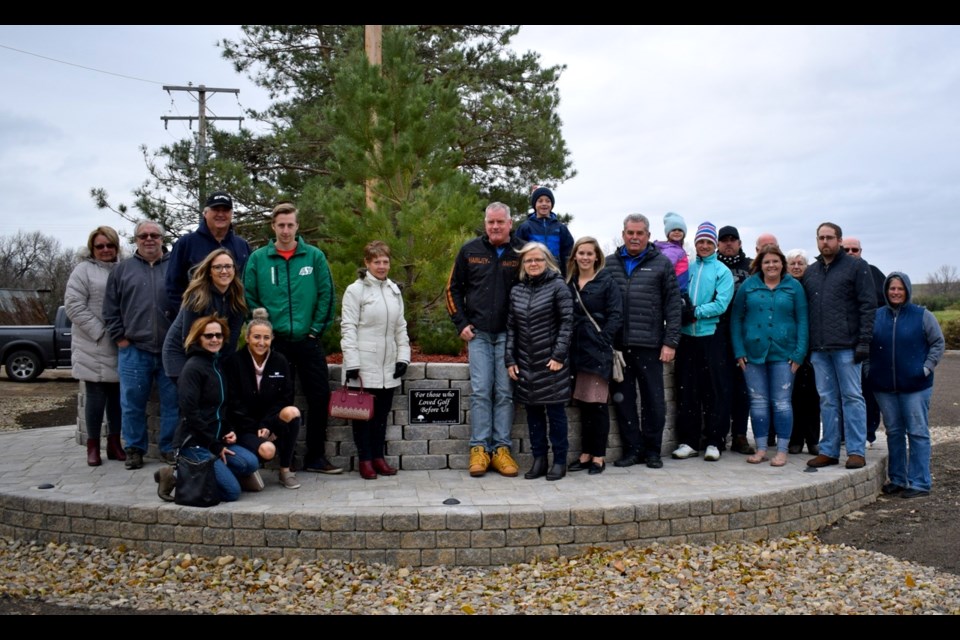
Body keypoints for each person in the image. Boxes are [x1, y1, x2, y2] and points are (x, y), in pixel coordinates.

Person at [244, 202, 341, 474]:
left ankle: (316, 457)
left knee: (320, 397)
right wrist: (265, 335)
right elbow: (249, 297)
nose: (285, 230)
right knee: (279, 401)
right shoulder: (259, 259)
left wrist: (315, 330)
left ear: (297, 226)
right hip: (276, 345)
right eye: (281, 225)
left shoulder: (314, 257)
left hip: (308, 340)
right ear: (273, 227)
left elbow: (326, 295)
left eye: (290, 225)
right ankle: (287, 456)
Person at [446, 202, 522, 478]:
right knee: (480, 391)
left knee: (504, 392)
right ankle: (479, 448)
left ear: (510, 223)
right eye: (491, 222)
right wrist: (461, 323)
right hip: (477, 334)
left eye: (500, 222)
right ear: (485, 223)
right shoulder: (470, 251)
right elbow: (452, 289)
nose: (495, 227)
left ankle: (501, 449)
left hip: (509, 335)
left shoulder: (522, 252)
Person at [154, 315, 262, 503]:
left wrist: (229, 430)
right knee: (232, 493)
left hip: (215, 439)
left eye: (219, 336)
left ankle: (209, 472)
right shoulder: (193, 368)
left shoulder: (216, 366)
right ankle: (176, 475)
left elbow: (221, 407)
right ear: (198, 338)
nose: (215, 340)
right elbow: (191, 414)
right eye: (209, 335)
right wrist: (215, 445)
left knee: (250, 463)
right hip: (194, 443)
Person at [604, 213, 682, 469]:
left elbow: (673, 306)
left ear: (648, 236)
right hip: (619, 348)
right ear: (623, 233)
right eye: (630, 233)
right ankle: (632, 450)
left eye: (640, 233)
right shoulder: (609, 264)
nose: (635, 237)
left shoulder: (661, 264)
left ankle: (651, 451)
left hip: (650, 344)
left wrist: (670, 341)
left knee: (653, 401)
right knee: (623, 402)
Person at [102, 220, 179, 470]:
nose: (149, 239)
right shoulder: (122, 270)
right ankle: (135, 448)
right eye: (143, 235)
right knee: (132, 403)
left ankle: (169, 448)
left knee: (173, 403)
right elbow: (110, 309)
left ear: (162, 238)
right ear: (136, 240)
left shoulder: (176, 267)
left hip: (171, 349)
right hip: (135, 349)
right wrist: (120, 338)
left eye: (154, 235)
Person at [802, 222, 877, 469]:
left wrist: (864, 342)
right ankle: (829, 450)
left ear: (839, 240)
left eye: (830, 238)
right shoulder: (811, 272)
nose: (825, 242)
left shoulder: (856, 267)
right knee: (827, 399)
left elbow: (868, 306)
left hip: (848, 346)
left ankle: (856, 450)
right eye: (821, 238)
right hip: (819, 348)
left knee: (852, 398)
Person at [730, 244, 808, 467]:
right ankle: (762, 448)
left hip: (785, 354)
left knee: (782, 403)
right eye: (767, 262)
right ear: (759, 265)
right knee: (758, 403)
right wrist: (739, 351)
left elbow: (803, 320)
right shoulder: (749, 286)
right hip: (753, 353)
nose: (771, 265)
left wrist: (799, 353)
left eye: (775, 261)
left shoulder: (793, 287)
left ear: (782, 264)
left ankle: (782, 450)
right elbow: (736, 319)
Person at [868, 273, 945, 499]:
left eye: (900, 288)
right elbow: (866, 346)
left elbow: (938, 343)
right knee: (894, 432)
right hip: (884, 386)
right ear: (886, 290)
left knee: (918, 432)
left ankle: (920, 482)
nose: (895, 292)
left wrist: (926, 368)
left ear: (907, 290)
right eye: (892, 288)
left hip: (916, 386)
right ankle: (899, 479)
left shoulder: (922, 315)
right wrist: (868, 370)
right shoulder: (876, 316)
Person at [340, 241, 411, 480]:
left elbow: (400, 326)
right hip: (363, 364)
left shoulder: (394, 290)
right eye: (376, 262)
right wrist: (352, 362)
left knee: (381, 415)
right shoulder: (355, 290)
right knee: (363, 417)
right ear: (367, 263)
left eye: (385, 261)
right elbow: (348, 327)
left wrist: (403, 357)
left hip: (387, 363)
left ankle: (379, 457)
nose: (382, 266)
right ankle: (365, 459)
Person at [506, 242, 574, 480]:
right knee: (533, 416)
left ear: (547, 261)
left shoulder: (558, 287)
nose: (533, 264)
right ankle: (539, 460)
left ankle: (560, 461)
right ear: (523, 264)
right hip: (525, 363)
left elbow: (567, 323)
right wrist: (510, 359)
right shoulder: (517, 290)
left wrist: (558, 356)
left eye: (537, 259)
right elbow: (511, 328)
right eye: (528, 260)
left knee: (556, 415)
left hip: (551, 363)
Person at [671, 222, 734, 462]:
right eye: (701, 242)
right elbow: (677, 291)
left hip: (712, 335)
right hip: (687, 337)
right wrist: (681, 309)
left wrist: (695, 311)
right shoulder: (688, 266)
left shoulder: (721, 271)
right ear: (695, 244)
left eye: (709, 242)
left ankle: (714, 440)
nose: (705, 246)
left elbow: (721, 304)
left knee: (714, 391)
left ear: (715, 245)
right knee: (688, 390)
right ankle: (688, 440)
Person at [64, 226, 124, 466]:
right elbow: (74, 305)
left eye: (110, 245)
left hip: (120, 342)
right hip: (93, 343)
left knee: (117, 397)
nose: (105, 250)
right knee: (96, 397)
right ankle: (92, 445)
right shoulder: (83, 271)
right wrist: (100, 332)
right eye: (100, 246)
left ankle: (114, 443)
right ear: (92, 248)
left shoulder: (124, 268)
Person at [223, 308, 302, 489]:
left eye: (266, 338)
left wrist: (267, 424)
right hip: (244, 426)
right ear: (247, 338)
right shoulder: (234, 362)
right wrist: (256, 427)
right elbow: (232, 401)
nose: (261, 342)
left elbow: (285, 397)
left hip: (269, 421)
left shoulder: (280, 361)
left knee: (293, 412)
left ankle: (285, 470)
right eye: (257, 337)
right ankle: (247, 467)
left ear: (272, 339)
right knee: (268, 451)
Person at [566, 237, 622, 475]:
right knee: (584, 405)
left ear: (597, 256)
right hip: (576, 352)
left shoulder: (606, 282)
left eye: (590, 253)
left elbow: (616, 314)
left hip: (597, 351)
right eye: (581, 253)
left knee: (597, 405)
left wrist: (603, 340)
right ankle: (585, 453)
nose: (585, 257)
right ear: (575, 256)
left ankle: (598, 455)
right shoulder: (569, 282)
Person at [162, 248, 248, 387]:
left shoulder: (238, 295)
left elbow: (232, 337)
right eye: (218, 267)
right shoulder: (197, 296)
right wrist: (207, 369)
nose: (224, 271)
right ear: (209, 271)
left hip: (211, 350)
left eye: (228, 266)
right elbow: (190, 338)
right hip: (181, 353)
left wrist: (222, 364)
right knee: (197, 398)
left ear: (234, 269)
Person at [166, 191, 251, 311]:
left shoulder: (242, 246)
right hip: (196, 321)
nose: (221, 214)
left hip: (233, 320)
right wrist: (187, 316)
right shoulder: (185, 244)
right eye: (216, 209)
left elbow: (248, 285)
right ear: (205, 213)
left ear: (231, 214)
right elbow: (173, 286)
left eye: (225, 210)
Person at [842, 236, 886, 446]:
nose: (851, 253)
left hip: (868, 342)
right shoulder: (835, 273)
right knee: (844, 392)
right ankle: (844, 433)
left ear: (861, 251)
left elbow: (886, 305)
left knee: (867, 390)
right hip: (842, 342)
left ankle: (868, 433)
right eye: (847, 250)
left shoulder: (874, 273)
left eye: (855, 250)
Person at [716, 225, 755, 455]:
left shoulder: (751, 267)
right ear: (719, 243)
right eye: (725, 240)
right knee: (720, 386)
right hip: (718, 332)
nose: (729, 244)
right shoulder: (714, 266)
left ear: (739, 243)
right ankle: (718, 434)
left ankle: (740, 434)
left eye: (733, 240)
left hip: (745, 333)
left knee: (743, 387)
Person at [785, 249, 820, 455]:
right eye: (792, 263)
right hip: (790, 347)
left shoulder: (812, 286)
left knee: (813, 396)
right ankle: (795, 438)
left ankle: (813, 439)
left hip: (812, 346)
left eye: (800, 263)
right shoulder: (785, 288)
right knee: (793, 396)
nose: (796, 267)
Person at [515, 187, 575, 277]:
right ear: (534, 204)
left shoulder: (560, 228)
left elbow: (567, 253)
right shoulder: (526, 227)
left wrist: (566, 274)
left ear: (552, 204)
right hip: (532, 272)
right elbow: (518, 251)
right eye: (540, 201)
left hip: (555, 272)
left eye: (547, 201)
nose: (544, 204)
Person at [653, 211, 689, 292]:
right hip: (674, 290)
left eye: (680, 230)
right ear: (668, 233)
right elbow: (664, 269)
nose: (677, 232)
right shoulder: (671, 250)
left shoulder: (677, 249)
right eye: (673, 230)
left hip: (677, 289)